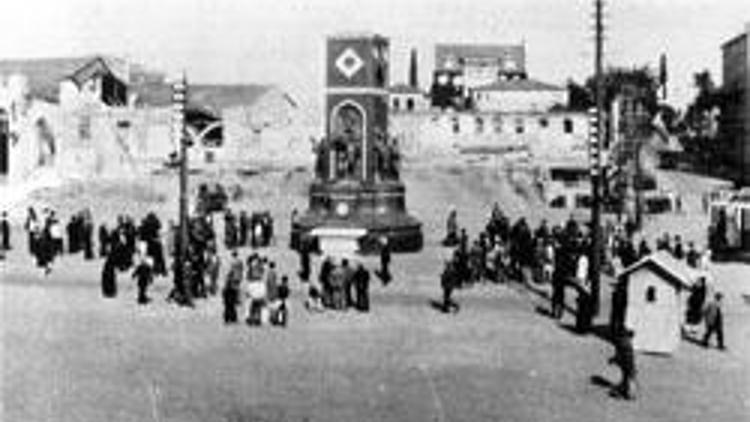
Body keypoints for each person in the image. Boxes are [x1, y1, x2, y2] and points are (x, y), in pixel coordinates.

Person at [608, 328, 637, 400]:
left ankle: (629, 394)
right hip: (628, 365)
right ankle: (628, 392)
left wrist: (614, 359)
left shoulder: (622, 343)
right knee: (628, 378)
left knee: (629, 378)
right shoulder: (627, 344)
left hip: (627, 365)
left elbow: (620, 356)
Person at [222, 251, 243, 324]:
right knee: (236, 290)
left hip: (232, 282)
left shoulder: (232, 262)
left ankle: (228, 318)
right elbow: (241, 269)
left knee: (228, 305)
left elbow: (230, 271)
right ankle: (238, 299)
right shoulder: (240, 261)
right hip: (237, 278)